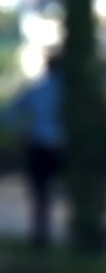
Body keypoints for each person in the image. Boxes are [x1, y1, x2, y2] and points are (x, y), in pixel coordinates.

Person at [4, 54, 64, 250]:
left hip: (39, 145)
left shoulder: (37, 90)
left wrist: (22, 130)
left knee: (41, 194)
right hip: (65, 147)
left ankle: (41, 234)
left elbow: (11, 114)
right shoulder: (73, 92)